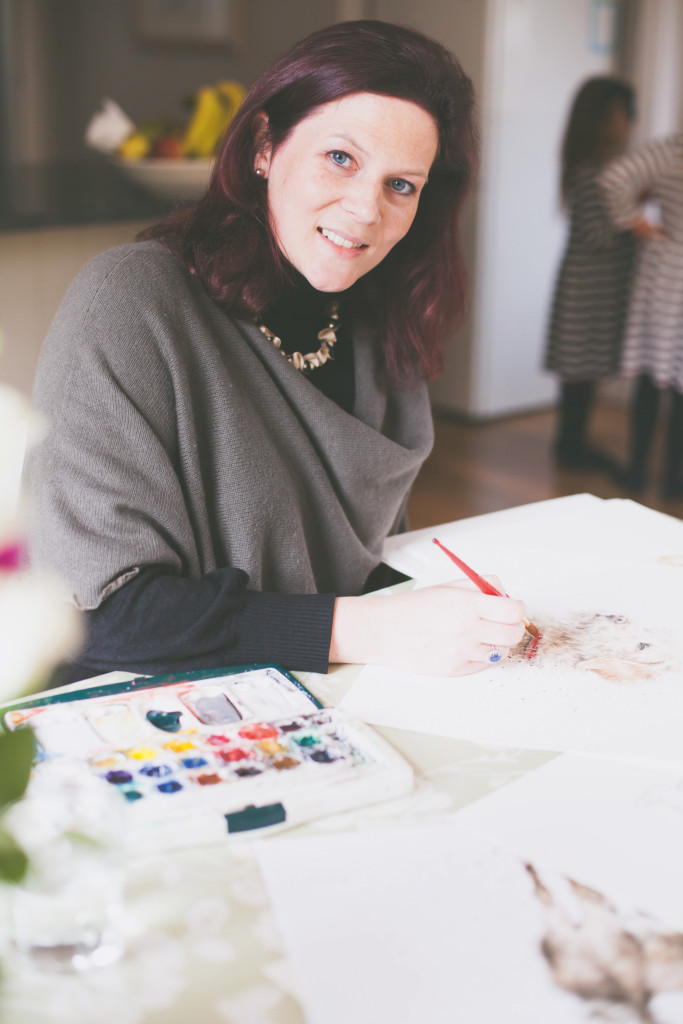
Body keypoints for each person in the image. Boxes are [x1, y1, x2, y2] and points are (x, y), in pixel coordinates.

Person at [25, 20, 526, 685]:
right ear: (264, 146)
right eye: (340, 158)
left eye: (400, 185)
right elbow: (100, 613)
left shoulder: (378, 317)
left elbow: (349, 563)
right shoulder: (130, 300)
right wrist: (368, 628)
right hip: (148, 713)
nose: (364, 209)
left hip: (313, 691)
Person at [544, 76, 637, 470]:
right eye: (622, 116)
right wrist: (635, 225)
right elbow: (599, 235)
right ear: (601, 120)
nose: (628, 125)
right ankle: (571, 446)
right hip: (588, 293)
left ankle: (572, 443)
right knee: (580, 372)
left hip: (592, 290)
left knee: (583, 372)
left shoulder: (598, 173)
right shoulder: (591, 175)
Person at [599, 132, 683, 499]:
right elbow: (613, 179)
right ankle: (670, 482)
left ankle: (644, 474)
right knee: (665, 378)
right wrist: (638, 221)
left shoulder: (673, 150)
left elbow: (615, 178)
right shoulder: (672, 151)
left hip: (668, 271)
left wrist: (637, 220)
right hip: (671, 275)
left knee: (655, 376)